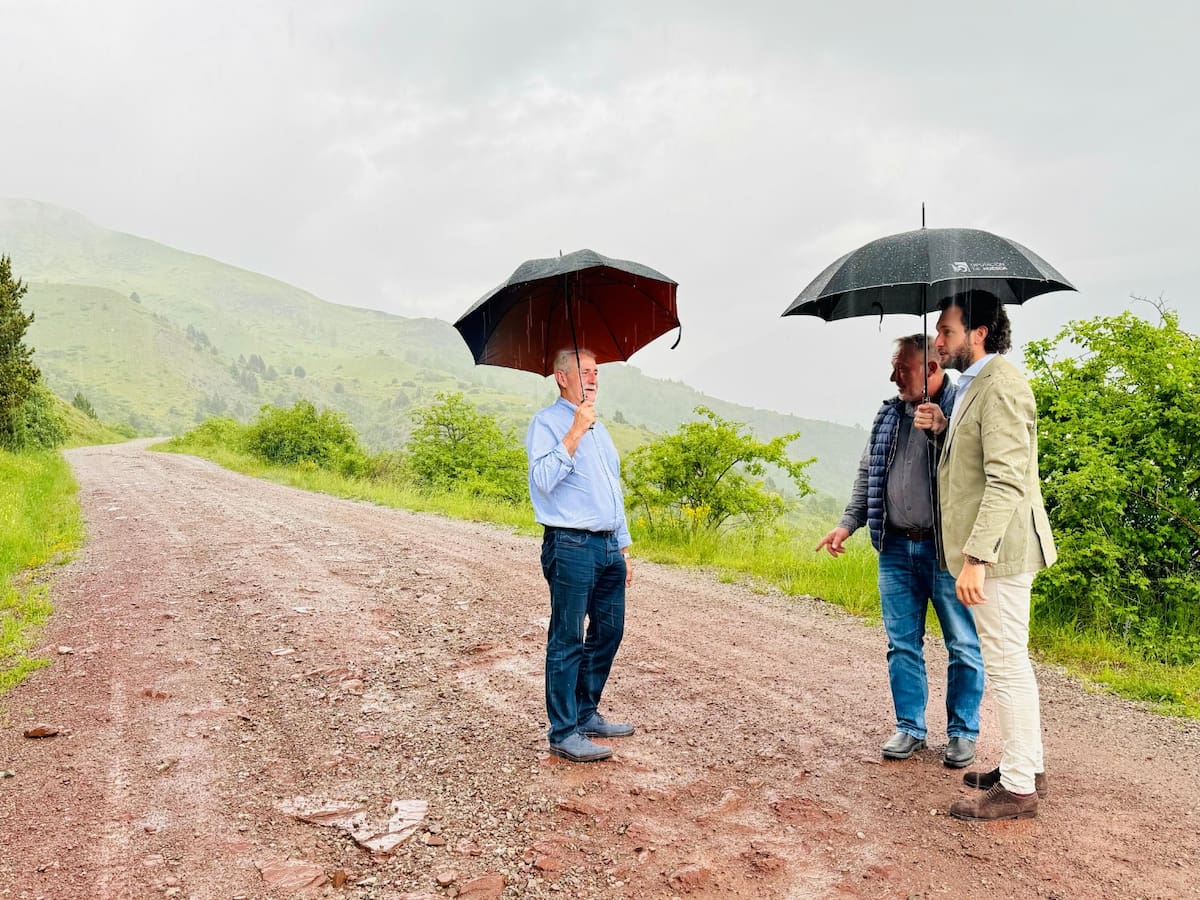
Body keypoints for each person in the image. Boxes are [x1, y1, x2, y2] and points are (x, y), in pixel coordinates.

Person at [914, 290, 1057, 821]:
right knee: (1009, 658)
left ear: (978, 333)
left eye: (946, 331)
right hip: (998, 551)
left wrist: (977, 557)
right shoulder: (979, 387)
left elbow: (1006, 479)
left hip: (1000, 554)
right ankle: (1027, 763)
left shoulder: (1001, 386)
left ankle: (1019, 789)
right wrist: (942, 429)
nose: (938, 341)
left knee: (1005, 663)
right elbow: (978, 459)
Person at [818, 334, 984, 768]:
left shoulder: (962, 407)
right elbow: (869, 469)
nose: (894, 378)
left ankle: (962, 733)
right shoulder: (890, 411)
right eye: (895, 369)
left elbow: (972, 469)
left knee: (962, 644)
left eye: (903, 369)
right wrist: (847, 523)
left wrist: (941, 430)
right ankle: (910, 727)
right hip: (894, 547)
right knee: (901, 644)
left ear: (932, 369)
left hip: (946, 552)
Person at [526, 347, 635, 763]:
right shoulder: (548, 423)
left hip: (607, 544)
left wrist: (623, 545)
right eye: (585, 372)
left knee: (609, 630)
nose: (593, 379)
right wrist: (573, 432)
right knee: (568, 636)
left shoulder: (601, 430)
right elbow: (542, 481)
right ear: (561, 377)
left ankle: (586, 712)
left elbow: (613, 490)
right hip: (570, 544)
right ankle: (563, 730)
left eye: (596, 373)